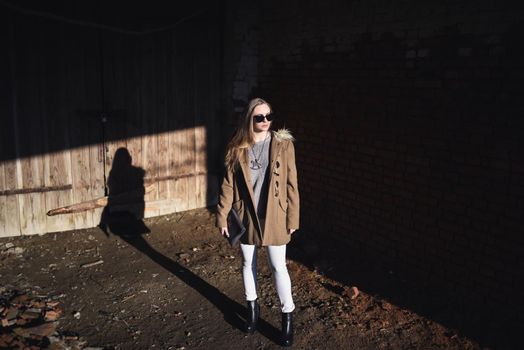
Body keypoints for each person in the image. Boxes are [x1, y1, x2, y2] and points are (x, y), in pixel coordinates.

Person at [216, 97, 299, 346]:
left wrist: (292, 216)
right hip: (246, 215)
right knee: (247, 263)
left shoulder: (284, 145)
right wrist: (222, 216)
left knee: (278, 266)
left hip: (276, 214)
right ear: (249, 119)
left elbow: (291, 183)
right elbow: (227, 185)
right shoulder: (236, 146)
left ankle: (287, 317)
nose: (265, 121)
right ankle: (252, 312)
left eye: (269, 116)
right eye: (259, 117)